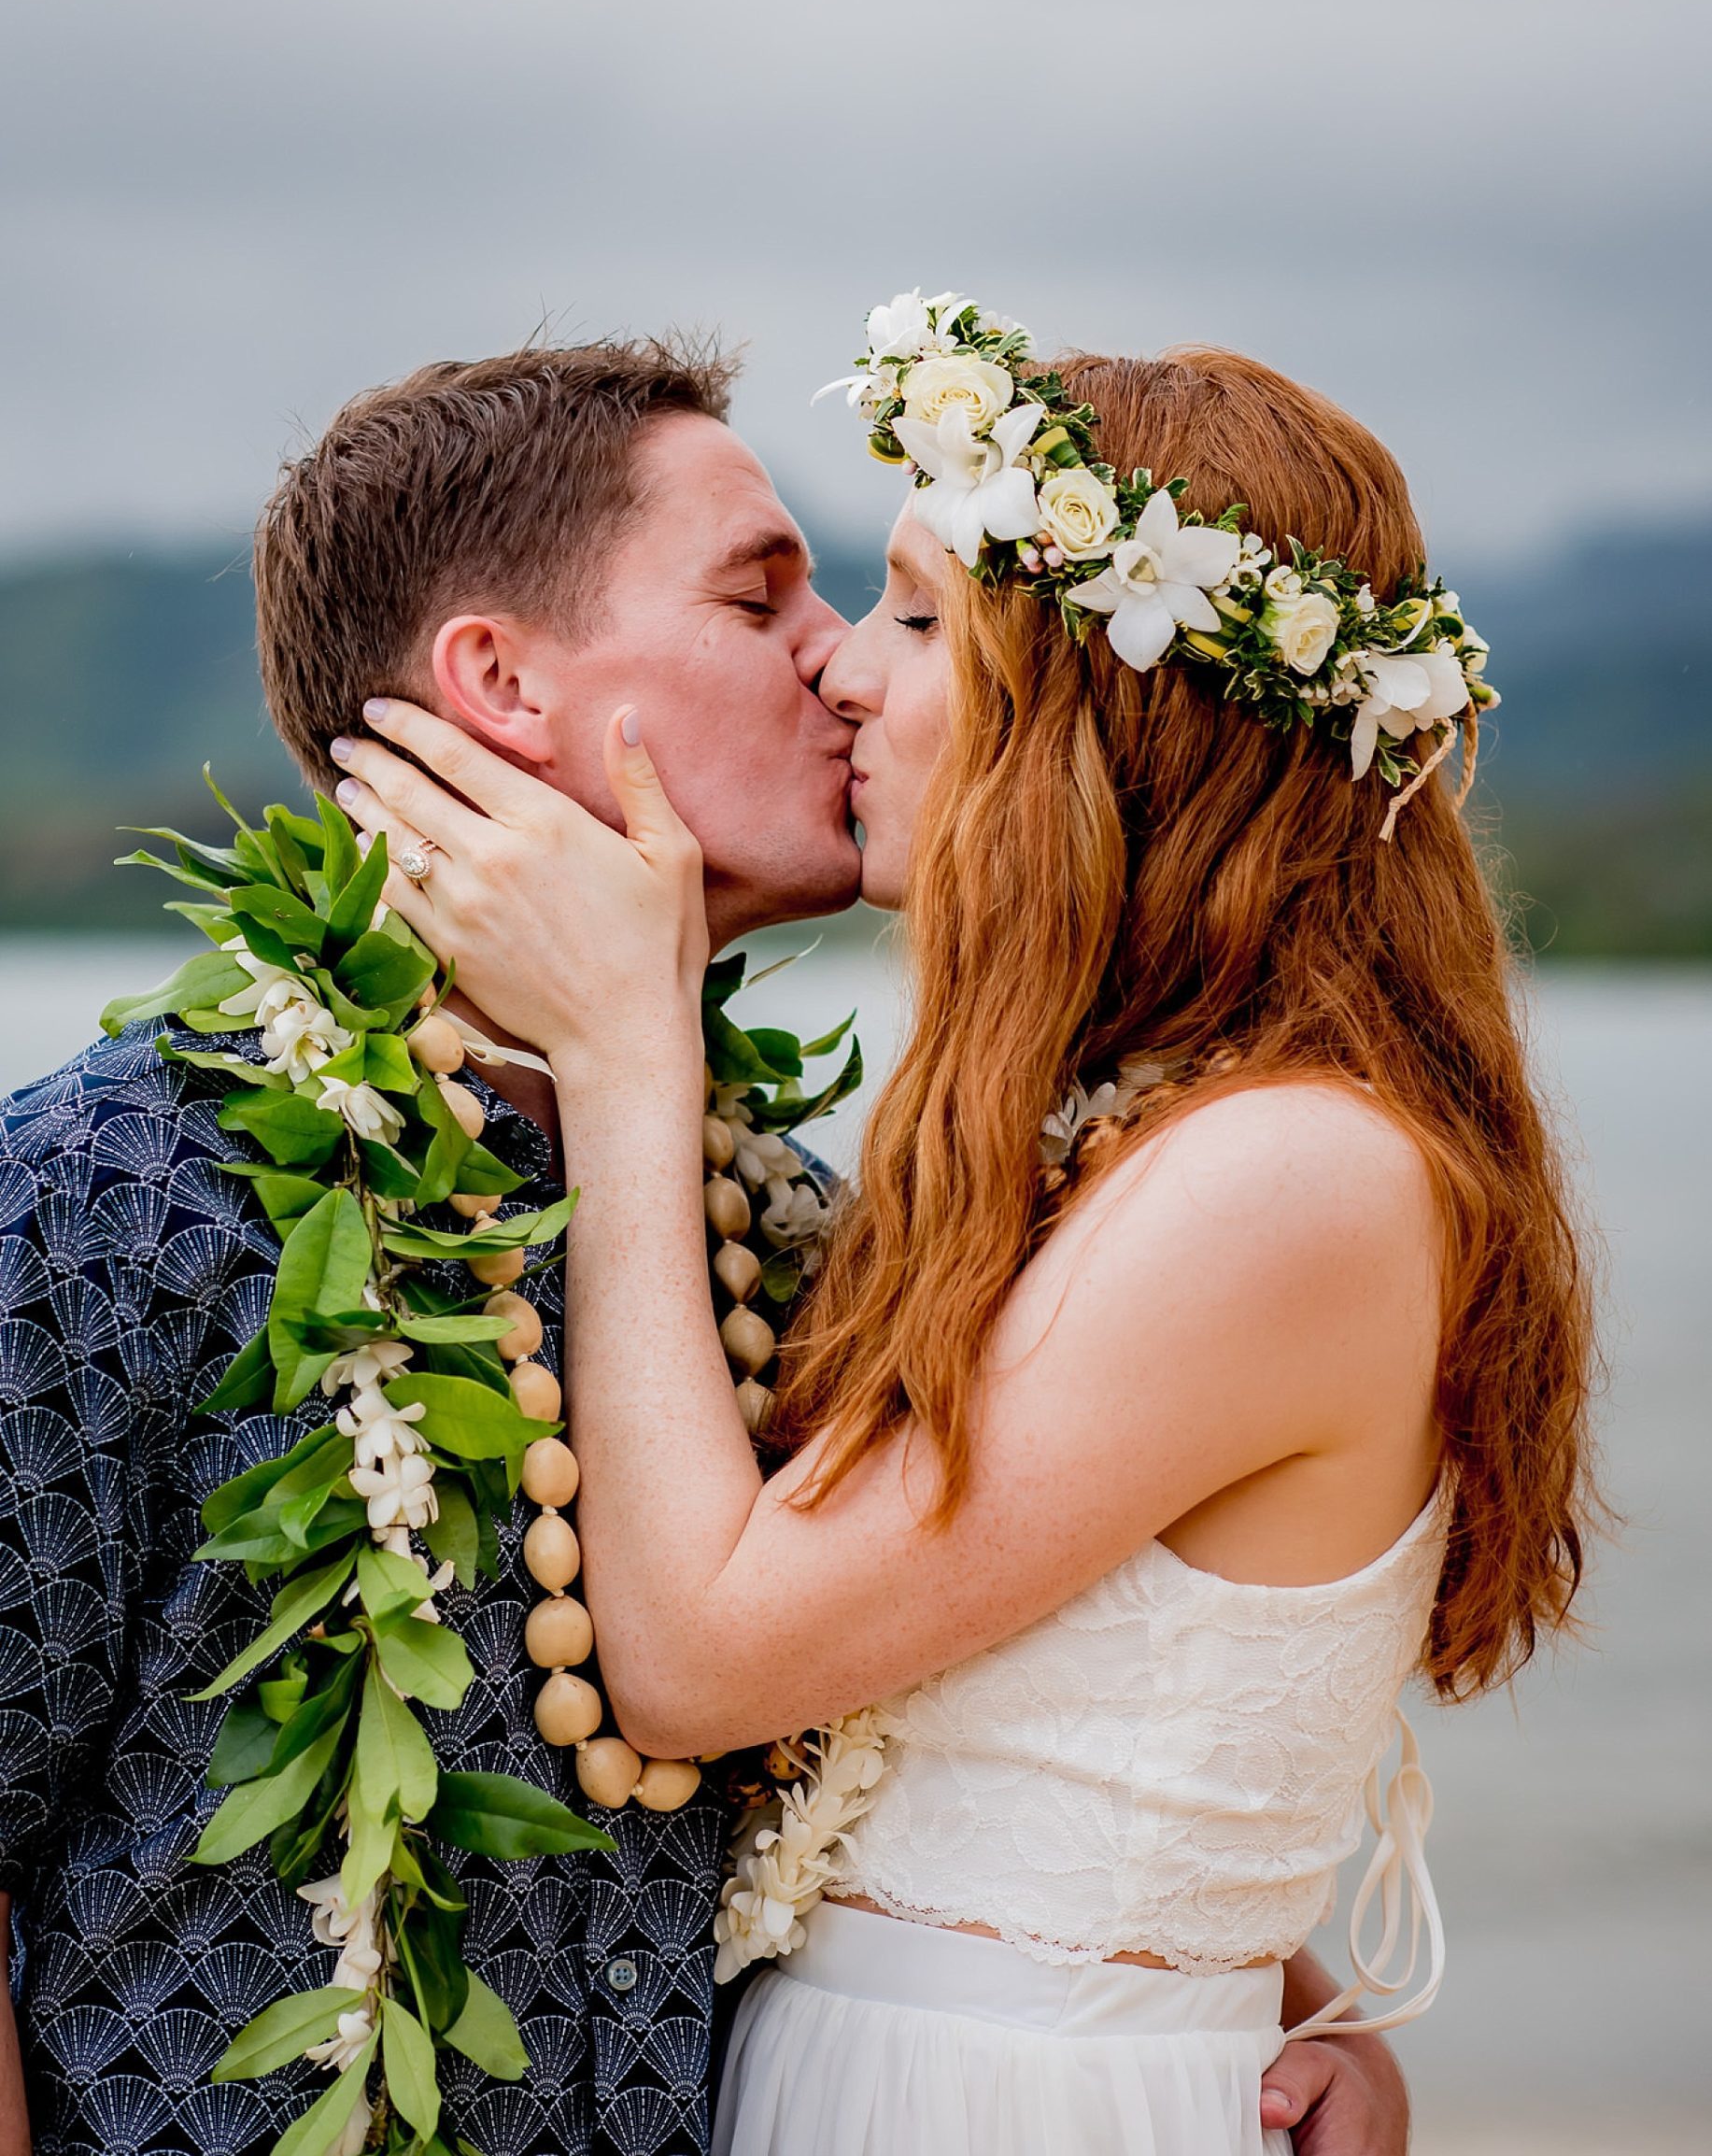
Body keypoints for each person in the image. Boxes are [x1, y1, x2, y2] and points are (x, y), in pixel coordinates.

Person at [0, 335, 1390, 2156]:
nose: (833, 653)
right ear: (497, 680)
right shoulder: (116, 1191)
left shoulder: (775, 1211)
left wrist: (1286, 2005)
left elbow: (969, 1714)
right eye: (763, 595)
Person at [328, 323, 1596, 2155]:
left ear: (1104, 700)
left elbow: (696, 1658)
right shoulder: (1142, 1131)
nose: (839, 661)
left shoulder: (1288, 1175)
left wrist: (627, 1049)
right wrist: (1283, 1987)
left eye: (916, 616)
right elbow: (1045, 1718)